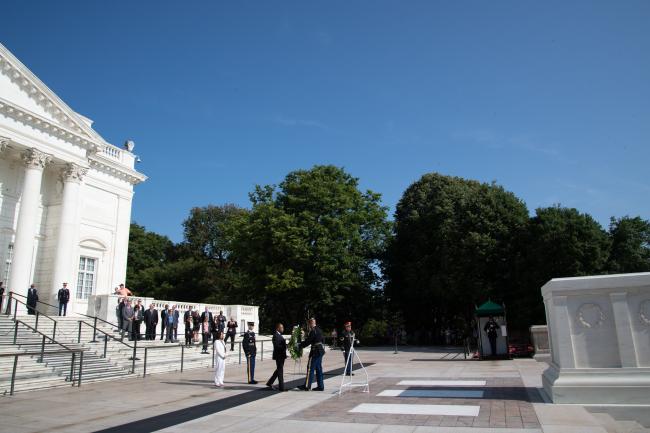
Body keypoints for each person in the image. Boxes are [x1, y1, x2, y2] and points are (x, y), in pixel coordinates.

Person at [299, 318, 325, 391]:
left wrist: (300, 345)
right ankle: (321, 386)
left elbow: (308, 341)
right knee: (319, 369)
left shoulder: (313, 331)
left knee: (310, 368)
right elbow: (322, 339)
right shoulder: (319, 330)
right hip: (320, 351)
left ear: (310, 324)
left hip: (315, 351)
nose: (309, 326)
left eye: (309, 324)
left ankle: (307, 386)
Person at [266, 323, 287, 391]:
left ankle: (270, 382)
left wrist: (288, 345)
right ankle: (282, 387)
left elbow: (282, 345)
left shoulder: (279, 335)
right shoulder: (275, 336)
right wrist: (285, 346)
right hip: (279, 356)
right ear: (278, 328)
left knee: (278, 370)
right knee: (280, 371)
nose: (283, 329)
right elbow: (277, 346)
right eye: (282, 327)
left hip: (281, 355)